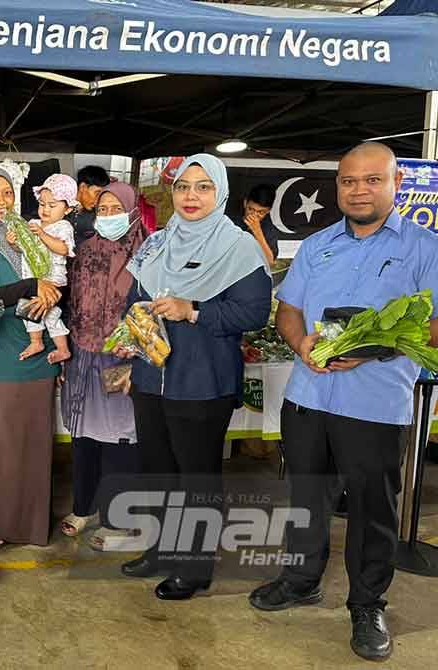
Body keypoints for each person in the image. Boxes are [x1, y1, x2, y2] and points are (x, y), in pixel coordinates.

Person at [248, 142, 438, 662]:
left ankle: (367, 602)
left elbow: (437, 327)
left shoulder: (426, 248)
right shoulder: (317, 246)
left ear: (396, 184)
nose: (359, 190)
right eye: (349, 181)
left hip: (375, 406)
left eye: (372, 180)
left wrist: (376, 345)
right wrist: (301, 342)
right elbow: (289, 311)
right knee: (306, 498)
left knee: (373, 511)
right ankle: (302, 579)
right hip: (309, 397)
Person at [118, 153, 271, 600]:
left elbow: (255, 312)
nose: (192, 196)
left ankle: (195, 566)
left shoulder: (238, 246)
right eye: (184, 186)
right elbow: (134, 296)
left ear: (220, 193)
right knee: (158, 471)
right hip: (151, 376)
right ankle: (163, 550)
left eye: (204, 187)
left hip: (203, 380)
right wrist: (132, 338)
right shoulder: (158, 241)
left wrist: (194, 310)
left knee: (196, 476)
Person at [0, 166, 63, 550]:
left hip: (40, 351)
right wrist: (28, 287)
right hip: (4, 350)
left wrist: (51, 296)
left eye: (7, 193)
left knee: (39, 441)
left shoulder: (31, 233)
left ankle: (32, 527)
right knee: (6, 441)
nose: (1, 201)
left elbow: (58, 277)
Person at [59, 182, 147, 549]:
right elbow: (68, 300)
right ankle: (84, 507)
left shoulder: (147, 254)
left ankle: (118, 521)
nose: (108, 216)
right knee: (83, 436)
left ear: (131, 212)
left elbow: (152, 311)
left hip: (121, 359)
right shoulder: (84, 251)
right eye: (102, 209)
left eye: (116, 209)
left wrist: (137, 358)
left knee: (119, 440)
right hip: (83, 357)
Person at [12, 174, 77, 364]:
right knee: (32, 311)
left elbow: (63, 248)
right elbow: (23, 248)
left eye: (52, 205)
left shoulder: (63, 226)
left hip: (52, 280)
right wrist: (14, 243)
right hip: (32, 280)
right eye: (42, 204)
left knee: (45, 312)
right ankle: (38, 342)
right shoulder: (34, 224)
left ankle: (61, 348)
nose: (45, 209)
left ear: (67, 209)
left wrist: (42, 234)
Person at [235, 183, 279, 265]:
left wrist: (257, 232)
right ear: (245, 203)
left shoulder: (269, 229)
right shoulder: (229, 219)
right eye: (251, 209)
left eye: (261, 212)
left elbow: (270, 262)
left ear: (268, 211)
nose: (254, 215)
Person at [73, 165, 111, 241]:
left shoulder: (97, 217)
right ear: (83, 187)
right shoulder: (60, 210)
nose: (98, 200)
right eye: (97, 193)